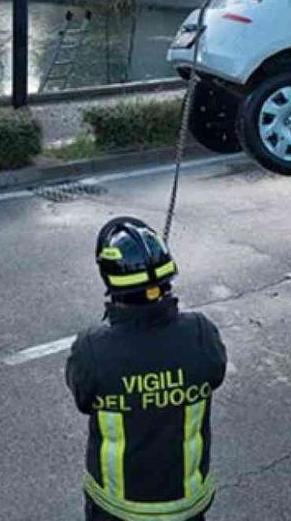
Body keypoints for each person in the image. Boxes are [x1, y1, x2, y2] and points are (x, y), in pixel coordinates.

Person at [66, 218, 227, 521]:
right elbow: (214, 375)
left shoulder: (92, 349)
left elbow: (83, 399)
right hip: (186, 508)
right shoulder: (201, 334)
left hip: (116, 509)